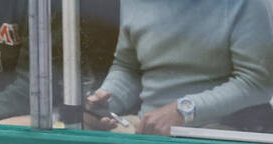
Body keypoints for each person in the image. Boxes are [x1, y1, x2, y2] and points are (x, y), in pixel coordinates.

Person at [84, 0, 273, 135]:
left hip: (221, 137)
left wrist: (184, 111)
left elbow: (256, 83)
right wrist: (104, 102)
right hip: (147, 133)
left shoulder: (247, 4)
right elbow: (129, 67)